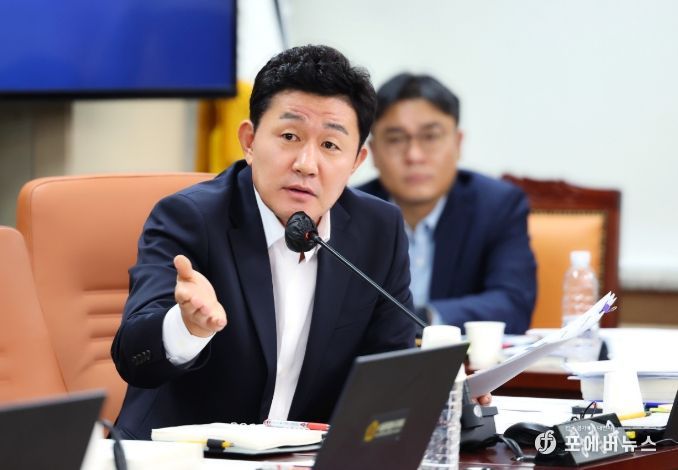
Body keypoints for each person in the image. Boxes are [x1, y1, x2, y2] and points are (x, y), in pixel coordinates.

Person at [110, 45, 417, 440]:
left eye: (330, 145)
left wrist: (452, 400)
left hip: (300, 458)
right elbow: (134, 357)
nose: (306, 164)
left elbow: (391, 368)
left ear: (356, 161)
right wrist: (186, 327)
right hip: (181, 455)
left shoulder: (378, 230)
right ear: (250, 141)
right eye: (289, 136)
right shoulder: (189, 218)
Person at [359, 73, 536, 334]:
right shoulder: (347, 211)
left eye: (430, 137)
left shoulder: (498, 206)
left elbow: (512, 303)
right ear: (373, 152)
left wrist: (425, 319)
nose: (414, 155)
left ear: (458, 143)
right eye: (396, 139)